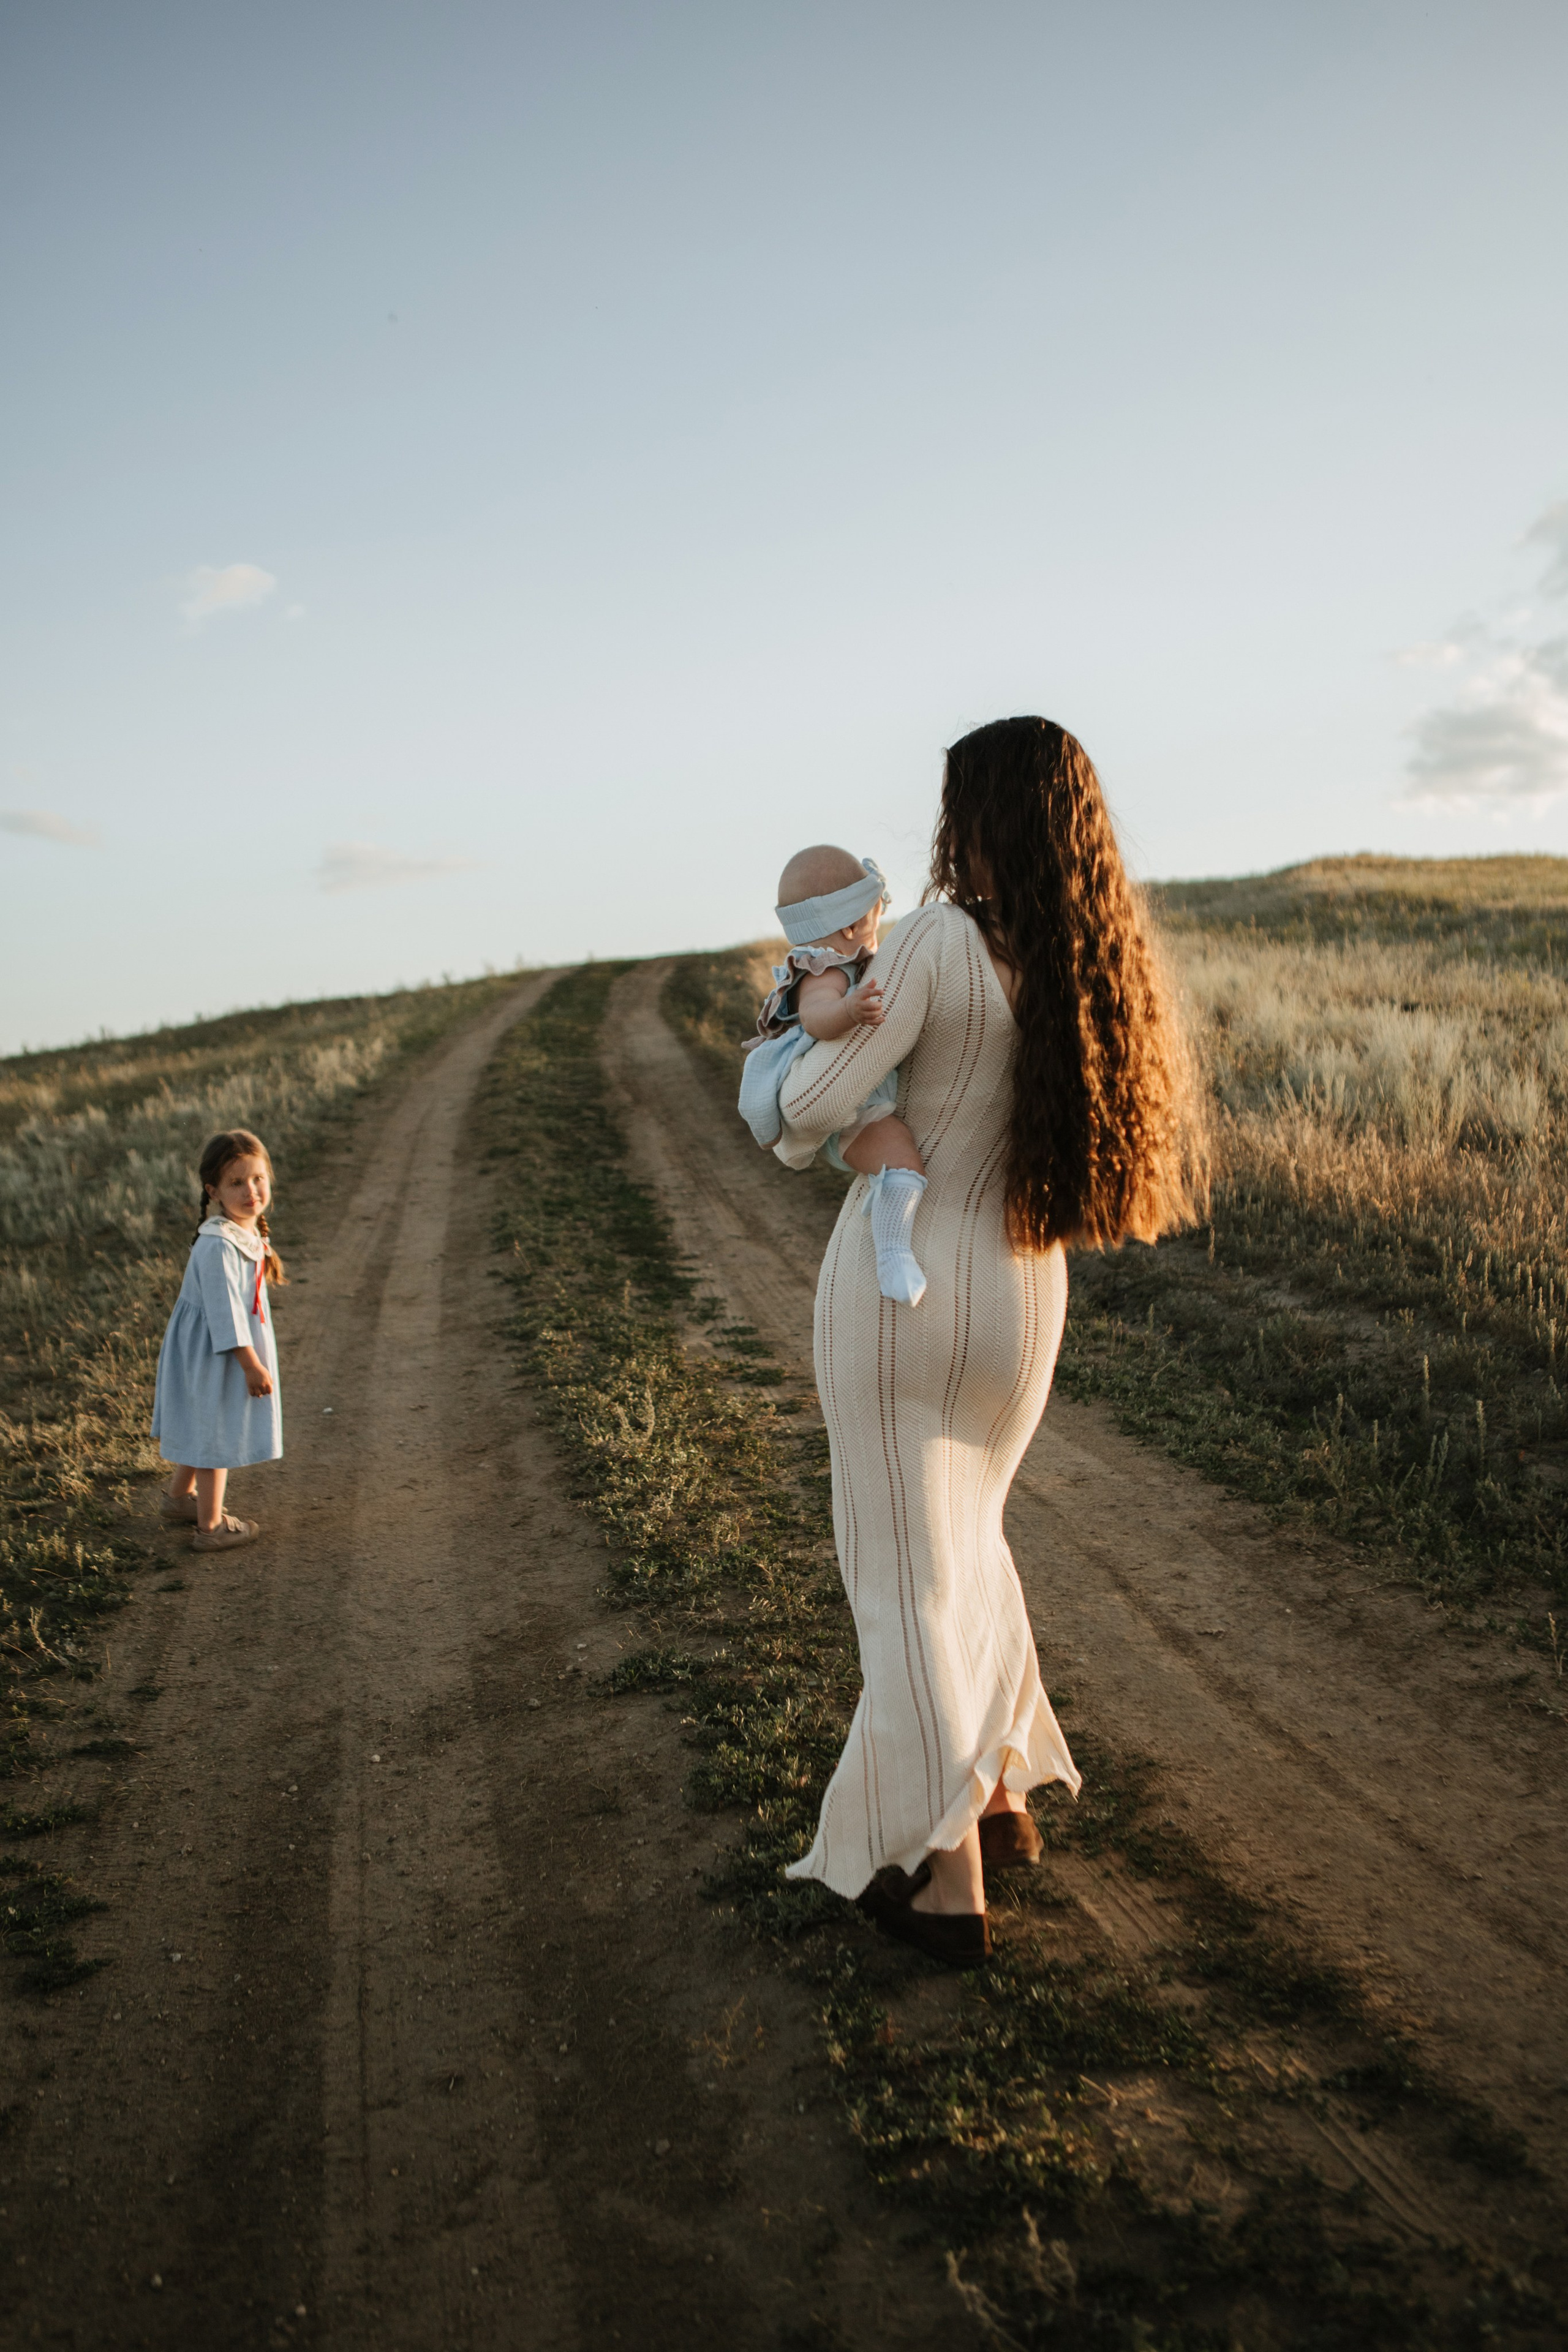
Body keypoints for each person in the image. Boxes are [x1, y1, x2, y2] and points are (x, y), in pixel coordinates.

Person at [777, 718, 1206, 1967]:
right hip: (1021, 1299)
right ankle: (1001, 1791)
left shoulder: (930, 941)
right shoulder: (1081, 958)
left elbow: (803, 1112)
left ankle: (944, 1877)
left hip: (902, 1301)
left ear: (972, 818)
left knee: (900, 1579)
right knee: (965, 1549)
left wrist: (799, 1010)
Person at [738, 846, 930, 1305]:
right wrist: (849, 1010)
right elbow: (817, 1017)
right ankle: (893, 1253)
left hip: (864, 1097)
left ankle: (890, 1230)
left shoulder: (845, 963)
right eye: (873, 918)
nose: (877, 929)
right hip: (852, 1112)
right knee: (903, 1165)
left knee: (901, 1159)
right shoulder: (823, 972)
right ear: (849, 927)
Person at [151, 1128, 285, 1553]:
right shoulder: (217, 1246)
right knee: (217, 1429)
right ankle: (210, 1528)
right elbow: (225, 1315)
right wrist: (250, 1364)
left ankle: (178, 1500)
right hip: (215, 1350)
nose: (251, 1190)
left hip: (220, 1347)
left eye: (258, 1179)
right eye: (236, 1183)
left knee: (205, 1421)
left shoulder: (244, 1231)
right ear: (213, 1190)